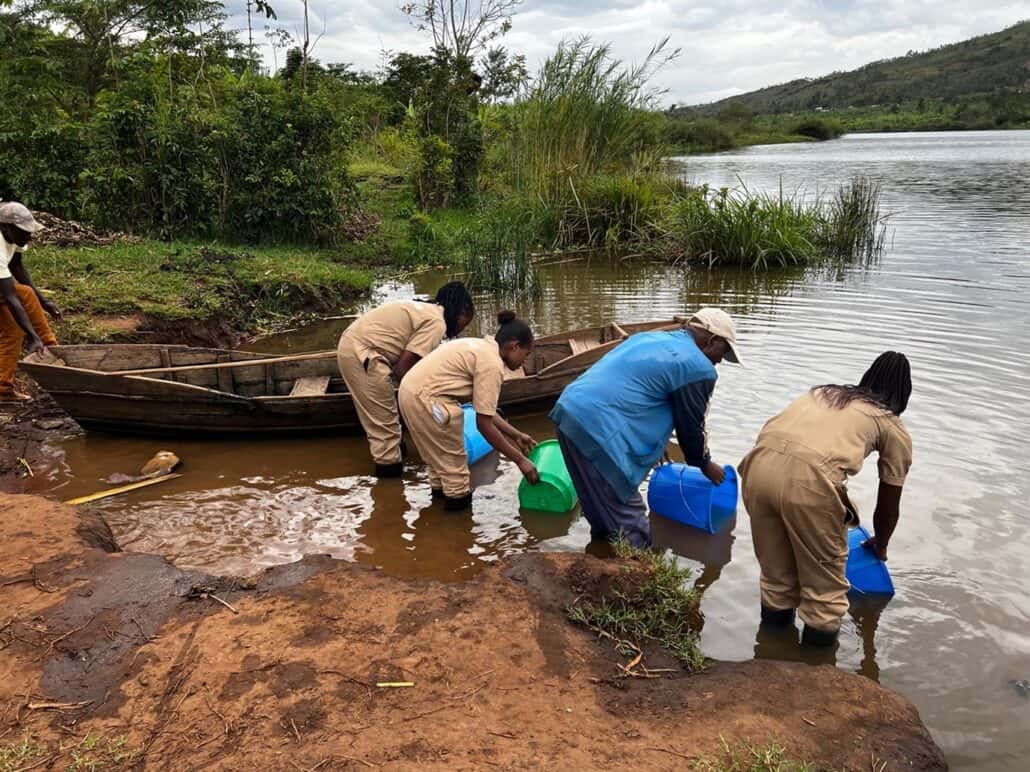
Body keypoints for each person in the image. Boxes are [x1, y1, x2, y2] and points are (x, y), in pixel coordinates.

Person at [739, 352, 913, 647]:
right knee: (824, 599)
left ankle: (769, 657)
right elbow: (889, 500)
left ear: (867, 378)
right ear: (903, 394)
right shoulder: (889, 422)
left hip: (757, 468)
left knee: (776, 582)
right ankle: (814, 674)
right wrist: (881, 543)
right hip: (809, 484)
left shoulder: (823, 393)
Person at [550, 308, 742, 548]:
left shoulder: (652, 337)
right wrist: (705, 464)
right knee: (633, 527)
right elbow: (691, 427)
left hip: (569, 414)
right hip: (599, 430)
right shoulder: (698, 367)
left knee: (602, 515)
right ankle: (637, 577)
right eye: (722, 351)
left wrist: (656, 443)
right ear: (712, 340)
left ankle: (599, 562)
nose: (719, 360)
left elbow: (639, 392)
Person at [398, 310, 539, 511]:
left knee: (440, 467)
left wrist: (516, 435)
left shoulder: (481, 347)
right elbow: (484, 425)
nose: (525, 361)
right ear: (514, 346)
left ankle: (434, 525)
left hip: (410, 392)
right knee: (457, 475)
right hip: (429, 401)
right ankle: (458, 535)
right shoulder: (492, 365)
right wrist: (520, 460)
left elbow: (483, 410)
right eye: (526, 354)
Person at [338, 283, 474, 477]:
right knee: (385, 432)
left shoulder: (426, 310)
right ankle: (390, 483)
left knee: (389, 420)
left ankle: (396, 470)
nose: (460, 330)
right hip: (364, 354)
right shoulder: (437, 322)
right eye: (465, 322)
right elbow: (403, 369)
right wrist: (424, 403)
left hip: (356, 346)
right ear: (463, 311)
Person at [0, 202, 59, 402]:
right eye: (24, 232)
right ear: (6, 227)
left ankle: (51, 348)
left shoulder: (13, 237)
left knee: (24, 298)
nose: (29, 236)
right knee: (16, 318)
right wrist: (32, 336)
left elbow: (17, 267)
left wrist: (45, 302)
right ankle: (50, 346)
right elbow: (10, 297)